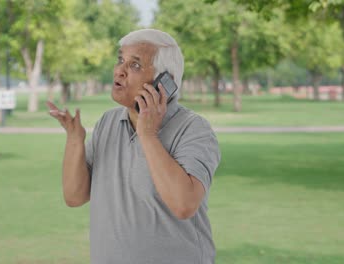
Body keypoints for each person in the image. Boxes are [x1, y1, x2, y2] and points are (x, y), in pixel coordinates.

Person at [47, 29, 221, 264]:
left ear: (164, 83)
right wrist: (75, 140)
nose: (120, 70)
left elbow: (184, 204)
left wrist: (148, 135)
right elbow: (74, 196)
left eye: (135, 65)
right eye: (120, 60)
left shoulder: (193, 129)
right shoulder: (108, 123)